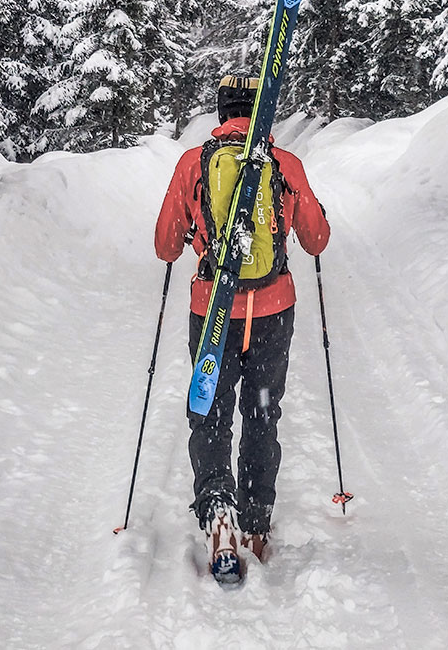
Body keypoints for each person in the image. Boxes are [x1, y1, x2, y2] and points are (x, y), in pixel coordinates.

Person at [153, 75, 331, 567]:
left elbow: (166, 245)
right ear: (261, 113)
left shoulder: (193, 163)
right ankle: (256, 524)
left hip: (213, 312)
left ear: (221, 113)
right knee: (261, 413)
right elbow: (315, 239)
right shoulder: (285, 164)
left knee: (210, 412)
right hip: (274, 311)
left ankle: (217, 514)